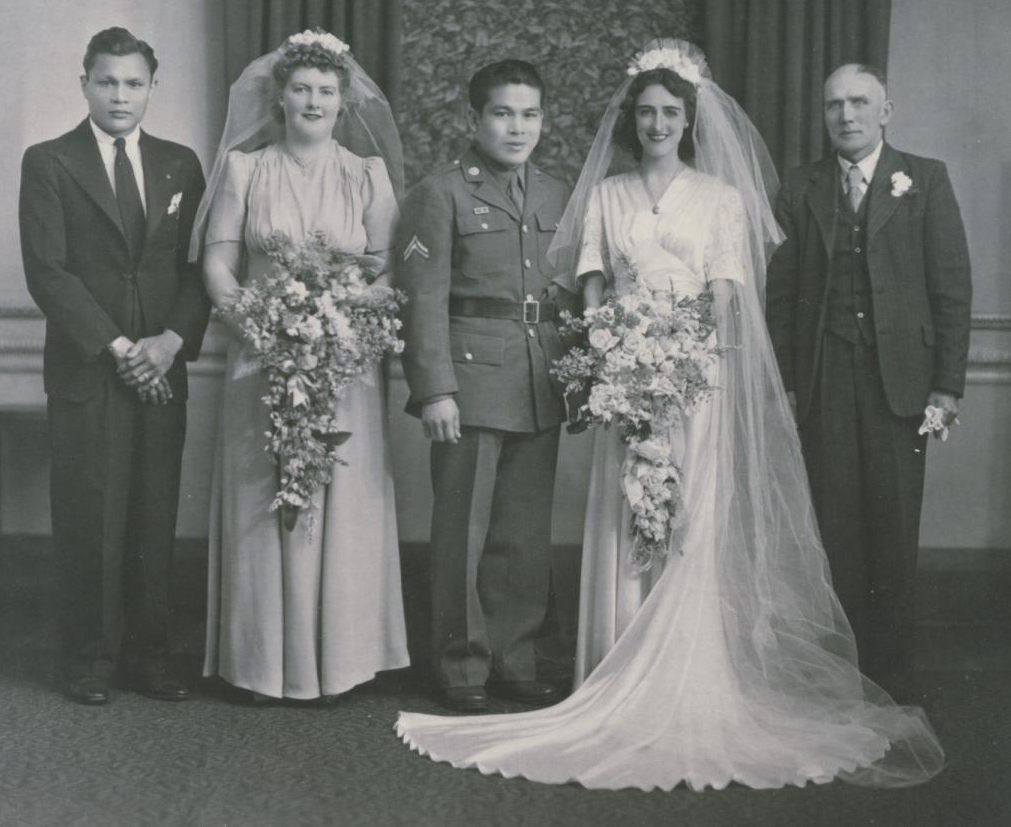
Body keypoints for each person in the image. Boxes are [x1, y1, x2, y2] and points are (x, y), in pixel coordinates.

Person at [395, 40, 944, 790]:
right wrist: (608, 356)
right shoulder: (594, 194)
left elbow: (724, 291)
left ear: (690, 121)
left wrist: (685, 357)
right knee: (577, 521)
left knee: (631, 523)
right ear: (631, 119)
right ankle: (517, 664)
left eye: (670, 113)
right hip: (612, 371)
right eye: (646, 112)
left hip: (691, 378)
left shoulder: (708, 197)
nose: (658, 124)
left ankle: (561, 660)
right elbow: (583, 287)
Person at [194, 30, 409, 702]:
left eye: (326, 91)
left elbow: (387, 268)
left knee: (341, 499)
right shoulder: (244, 169)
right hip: (261, 357)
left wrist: (341, 322)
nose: (313, 101)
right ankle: (259, 666)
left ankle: (341, 662)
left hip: (344, 362)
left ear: (344, 102)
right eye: (301, 89)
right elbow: (218, 261)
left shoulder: (367, 174)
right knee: (262, 501)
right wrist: (260, 325)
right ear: (280, 97)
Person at [766, 64, 972, 701]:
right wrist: (788, 383)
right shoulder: (799, 185)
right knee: (836, 528)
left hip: (902, 383)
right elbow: (781, 296)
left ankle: (893, 675)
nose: (846, 115)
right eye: (834, 105)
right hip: (824, 377)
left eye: (859, 102)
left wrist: (947, 386)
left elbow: (952, 288)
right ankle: (844, 672)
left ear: (886, 111)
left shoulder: (925, 179)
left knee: (893, 527)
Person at [19, 27, 210, 705]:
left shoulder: (180, 164)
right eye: (107, 81)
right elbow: (48, 272)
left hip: (163, 367)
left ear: (152, 88)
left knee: (154, 512)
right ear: (85, 85)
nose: (120, 95)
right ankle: (89, 661)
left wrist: (170, 342)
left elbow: (197, 269)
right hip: (90, 368)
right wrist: (123, 349)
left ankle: (151, 658)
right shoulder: (49, 161)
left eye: (133, 83)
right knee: (90, 516)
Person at [396, 60, 573, 713]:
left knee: (522, 535)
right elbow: (422, 298)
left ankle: (515, 658)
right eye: (503, 113)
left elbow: (565, 293)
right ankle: (460, 665)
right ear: (474, 119)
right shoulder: (440, 193)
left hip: (537, 378)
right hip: (469, 381)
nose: (517, 127)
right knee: (462, 533)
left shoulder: (556, 194)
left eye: (530, 114)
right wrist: (435, 389)